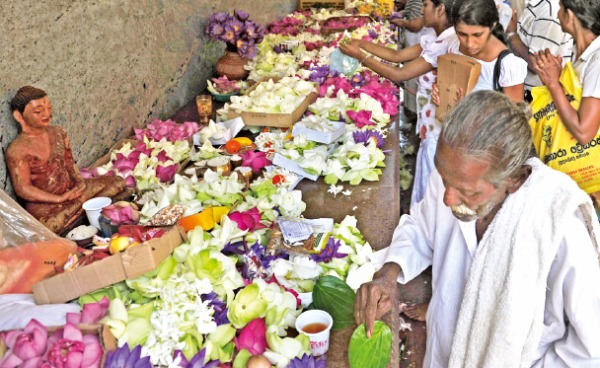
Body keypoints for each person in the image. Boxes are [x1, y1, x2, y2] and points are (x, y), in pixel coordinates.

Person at [357, 91, 600, 367]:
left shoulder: (558, 226)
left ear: (514, 180)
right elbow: (420, 228)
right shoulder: (455, 173)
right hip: (443, 354)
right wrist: (389, 273)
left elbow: (590, 349)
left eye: (466, 192)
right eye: (444, 180)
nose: (448, 198)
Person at [340, 0, 456, 213]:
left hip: (439, 130)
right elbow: (397, 56)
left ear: (440, 10)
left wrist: (361, 57)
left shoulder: (446, 43)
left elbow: (400, 73)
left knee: (435, 187)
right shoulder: (435, 37)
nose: (422, 10)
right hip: (429, 124)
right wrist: (360, 43)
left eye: (427, 5)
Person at [6, 86, 126, 234]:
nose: (47, 114)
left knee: (117, 182)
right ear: (19, 116)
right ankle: (87, 210)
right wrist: (59, 199)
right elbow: (24, 189)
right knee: (49, 227)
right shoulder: (17, 150)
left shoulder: (58, 132)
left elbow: (69, 163)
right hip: (46, 206)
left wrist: (80, 182)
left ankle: (80, 214)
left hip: (72, 193)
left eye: (49, 108)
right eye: (38, 111)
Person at [532, 0, 600, 208]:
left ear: (570, 15)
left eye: (560, 8)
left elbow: (583, 131)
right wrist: (556, 77)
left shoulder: (597, 60)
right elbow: (575, 99)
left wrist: (554, 84)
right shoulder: (582, 53)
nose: (557, 13)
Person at [440, 0, 528, 102]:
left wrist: (467, 106)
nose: (470, 43)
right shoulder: (453, 44)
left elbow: (514, 116)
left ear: (492, 25)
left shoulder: (508, 66)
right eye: (462, 34)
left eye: (477, 35)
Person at [506, 0, 574, 100]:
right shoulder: (537, 4)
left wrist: (512, 35)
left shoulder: (549, 12)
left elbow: (536, 65)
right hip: (527, 92)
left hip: (537, 98)